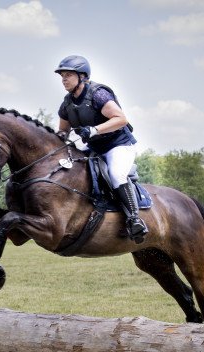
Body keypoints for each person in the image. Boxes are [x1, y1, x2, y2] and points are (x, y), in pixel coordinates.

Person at [54, 55, 148, 243]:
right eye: (62, 75)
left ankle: (134, 220)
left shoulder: (98, 94)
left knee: (116, 174)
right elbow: (63, 131)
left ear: (82, 76)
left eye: (68, 75)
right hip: (95, 149)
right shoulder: (67, 103)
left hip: (119, 145)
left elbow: (121, 119)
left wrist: (94, 129)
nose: (64, 79)